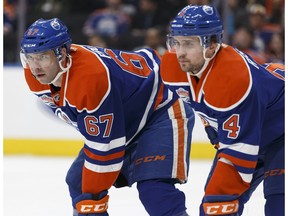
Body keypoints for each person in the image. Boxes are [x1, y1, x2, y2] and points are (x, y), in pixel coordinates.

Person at [20, 18, 195, 216]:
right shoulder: (36, 76)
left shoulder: (90, 78)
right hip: (125, 118)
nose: (35, 67)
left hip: (160, 107)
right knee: (78, 182)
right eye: (30, 57)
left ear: (62, 54)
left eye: (42, 56)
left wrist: (92, 201)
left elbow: (107, 149)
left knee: (154, 191)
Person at [162, 4, 284, 216]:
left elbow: (239, 155)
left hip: (282, 133)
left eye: (188, 44)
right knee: (214, 205)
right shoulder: (175, 65)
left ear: (212, 45)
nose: (180, 52)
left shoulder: (233, 77)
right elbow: (202, 106)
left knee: (278, 205)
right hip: (254, 130)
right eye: (176, 42)